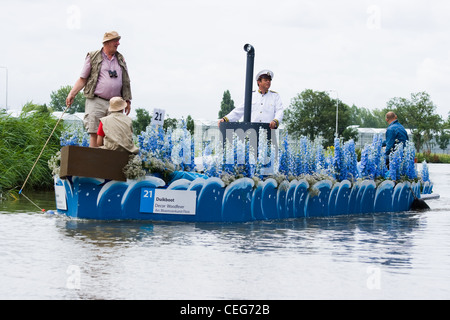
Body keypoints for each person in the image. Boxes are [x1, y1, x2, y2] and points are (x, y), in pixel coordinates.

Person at [66, 31, 132, 147]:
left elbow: (126, 80)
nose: (118, 43)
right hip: (96, 100)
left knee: (113, 134)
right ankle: (93, 162)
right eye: (115, 40)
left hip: (116, 104)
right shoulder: (93, 56)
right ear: (107, 42)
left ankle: (107, 163)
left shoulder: (120, 58)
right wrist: (72, 94)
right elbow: (83, 79)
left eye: (118, 40)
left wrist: (127, 100)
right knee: (94, 132)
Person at [218, 70, 283, 129]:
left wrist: (275, 120)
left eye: (269, 80)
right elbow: (239, 110)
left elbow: (279, 111)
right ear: (259, 82)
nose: (268, 82)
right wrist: (225, 119)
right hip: (252, 131)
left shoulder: (275, 96)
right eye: (266, 80)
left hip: (269, 131)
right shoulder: (251, 95)